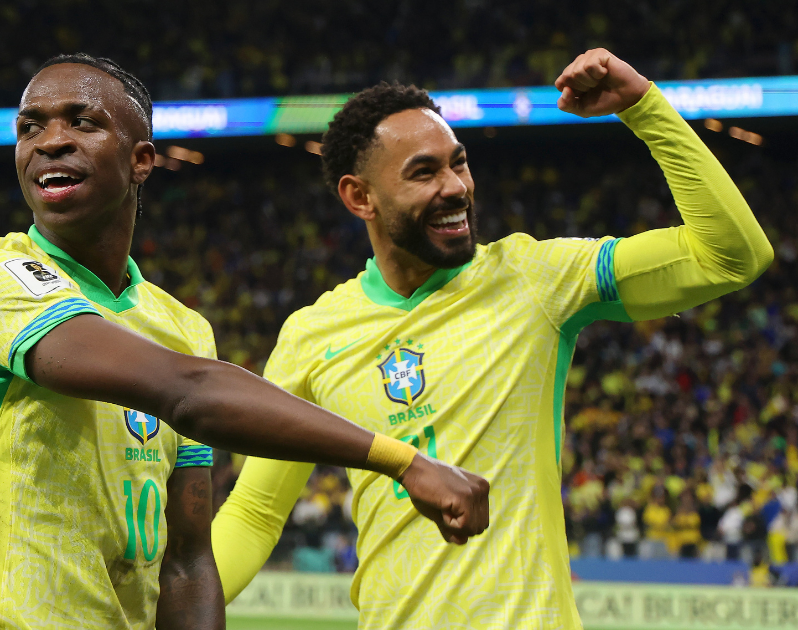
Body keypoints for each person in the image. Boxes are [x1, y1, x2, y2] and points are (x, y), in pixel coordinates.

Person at [211, 48, 773, 628]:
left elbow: (732, 256)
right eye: (424, 172)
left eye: (459, 163)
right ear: (360, 198)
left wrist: (643, 108)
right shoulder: (313, 334)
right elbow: (255, 513)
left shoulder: (537, 280)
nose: (455, 187)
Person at [0, 53, 490, 630]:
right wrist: (401, 460)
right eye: (31, 127)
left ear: (141, 160)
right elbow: (186, 390)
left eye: (82, 122)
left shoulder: (182, 328)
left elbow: (186, 562)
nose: (50, 141)